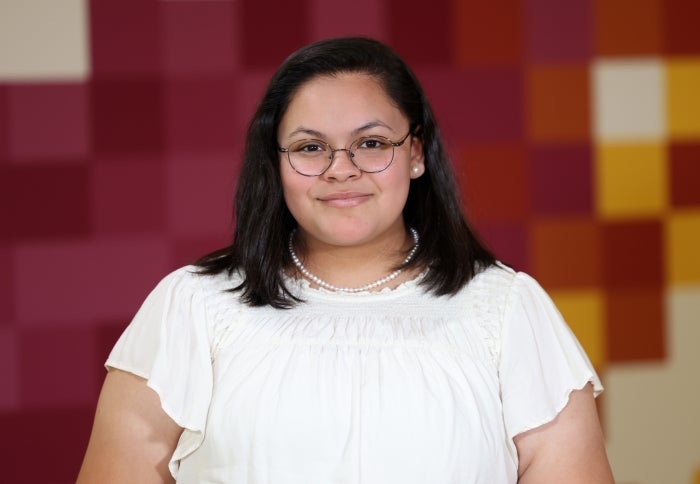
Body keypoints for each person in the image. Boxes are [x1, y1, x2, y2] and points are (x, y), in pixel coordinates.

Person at [77, 37, 614, 483]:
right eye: (311, 147)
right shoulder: (191, 305)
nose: (342, 169)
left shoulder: (507, 309)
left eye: (372, 143)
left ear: (417, 153)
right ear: (277, 164)